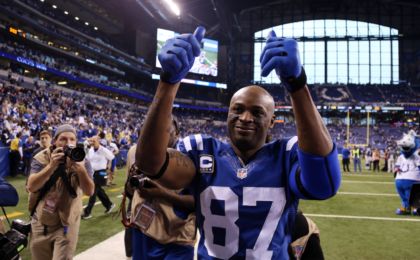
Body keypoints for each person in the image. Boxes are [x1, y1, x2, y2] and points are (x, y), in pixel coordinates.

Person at [136, 26, 341, 259]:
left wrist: (297, 84)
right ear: (228, 113)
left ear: (272, 121)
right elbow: (151, 163)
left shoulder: (285, 155)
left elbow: (324, 184)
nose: (245, 118)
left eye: (257, 112)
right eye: (238, 110)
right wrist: (168, 82)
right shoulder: (203, 152)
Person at [124, 117, 196, 260]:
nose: (157, 135)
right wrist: (132, 183)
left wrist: (163, 194)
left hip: (177, 237)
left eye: (165, 130)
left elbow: (197, 202)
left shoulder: (189, 157)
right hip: (143, 230)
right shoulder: (135, 151)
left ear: (177, 133)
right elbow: (129, 192)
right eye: (150, 129)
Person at [26, 124, 94, 260]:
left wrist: (80, 169)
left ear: (76, 142)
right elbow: (31, 186)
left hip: (67, 223)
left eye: (72, 139)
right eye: (63, 139)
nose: (68, 143)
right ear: (55, 141)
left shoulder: (82, 160)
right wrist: (51, 166)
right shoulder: (41, 158)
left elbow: (89, 191)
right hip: (41, 221)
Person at [82, 136, 115, 219]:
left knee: (93, 191)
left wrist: (111, 170)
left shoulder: (103, 149)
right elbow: (88, 160)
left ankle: (87, 212)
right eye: (91, 141)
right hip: (93, 172)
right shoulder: (91, 150)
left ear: (98, 141)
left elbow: (112, 157)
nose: (92, 142)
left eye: (94, 141)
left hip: (101, 172)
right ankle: (109, 205)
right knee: (98, 191)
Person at [394, 130, 420, 215]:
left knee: (414, 195)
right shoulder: (401, 156)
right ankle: (406, 208)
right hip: (401, 178)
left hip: (412, 179)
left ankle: (416, 209)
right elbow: (397, 166)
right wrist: (397, 169)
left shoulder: (416, 156)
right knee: (404, 196)